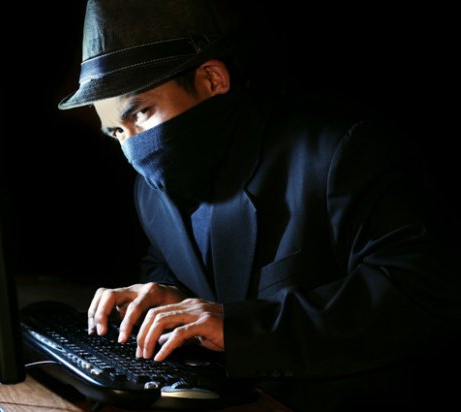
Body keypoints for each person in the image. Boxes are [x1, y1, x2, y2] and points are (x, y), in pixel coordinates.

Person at [58, 1, 461, 410]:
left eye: (142, 113)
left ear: (212, 78)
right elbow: (172, 270)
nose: (132, 147)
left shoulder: (339, 154)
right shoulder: (151, 192)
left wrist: (242, 330)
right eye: (116, 131)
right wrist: (167, 295)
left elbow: (422, 292)